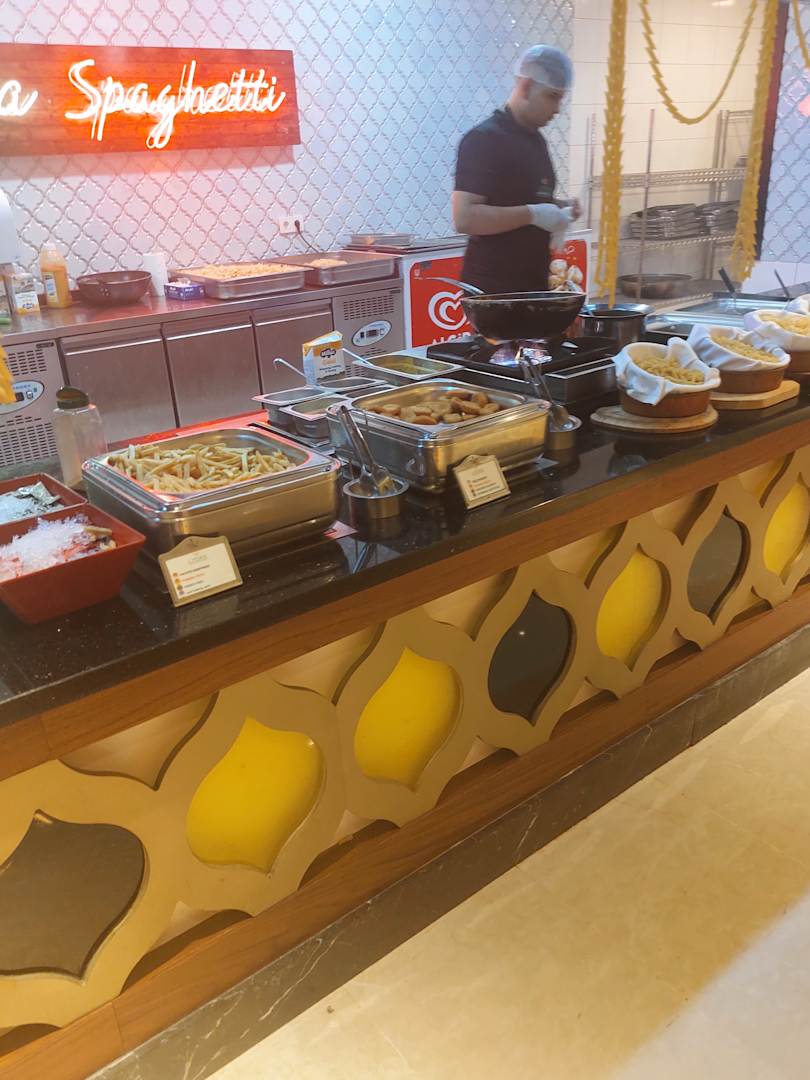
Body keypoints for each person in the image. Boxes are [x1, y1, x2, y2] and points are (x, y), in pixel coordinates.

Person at [452, 44, 581, 295]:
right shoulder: (484, 139)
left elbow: (524, 198)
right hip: (492, 293)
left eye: (561, 99)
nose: (557, 109)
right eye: (552, 97)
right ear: (526, 86)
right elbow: (465, 217)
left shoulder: (536, 141)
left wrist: (560, 208)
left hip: (533, 284)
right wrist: (533, 214)